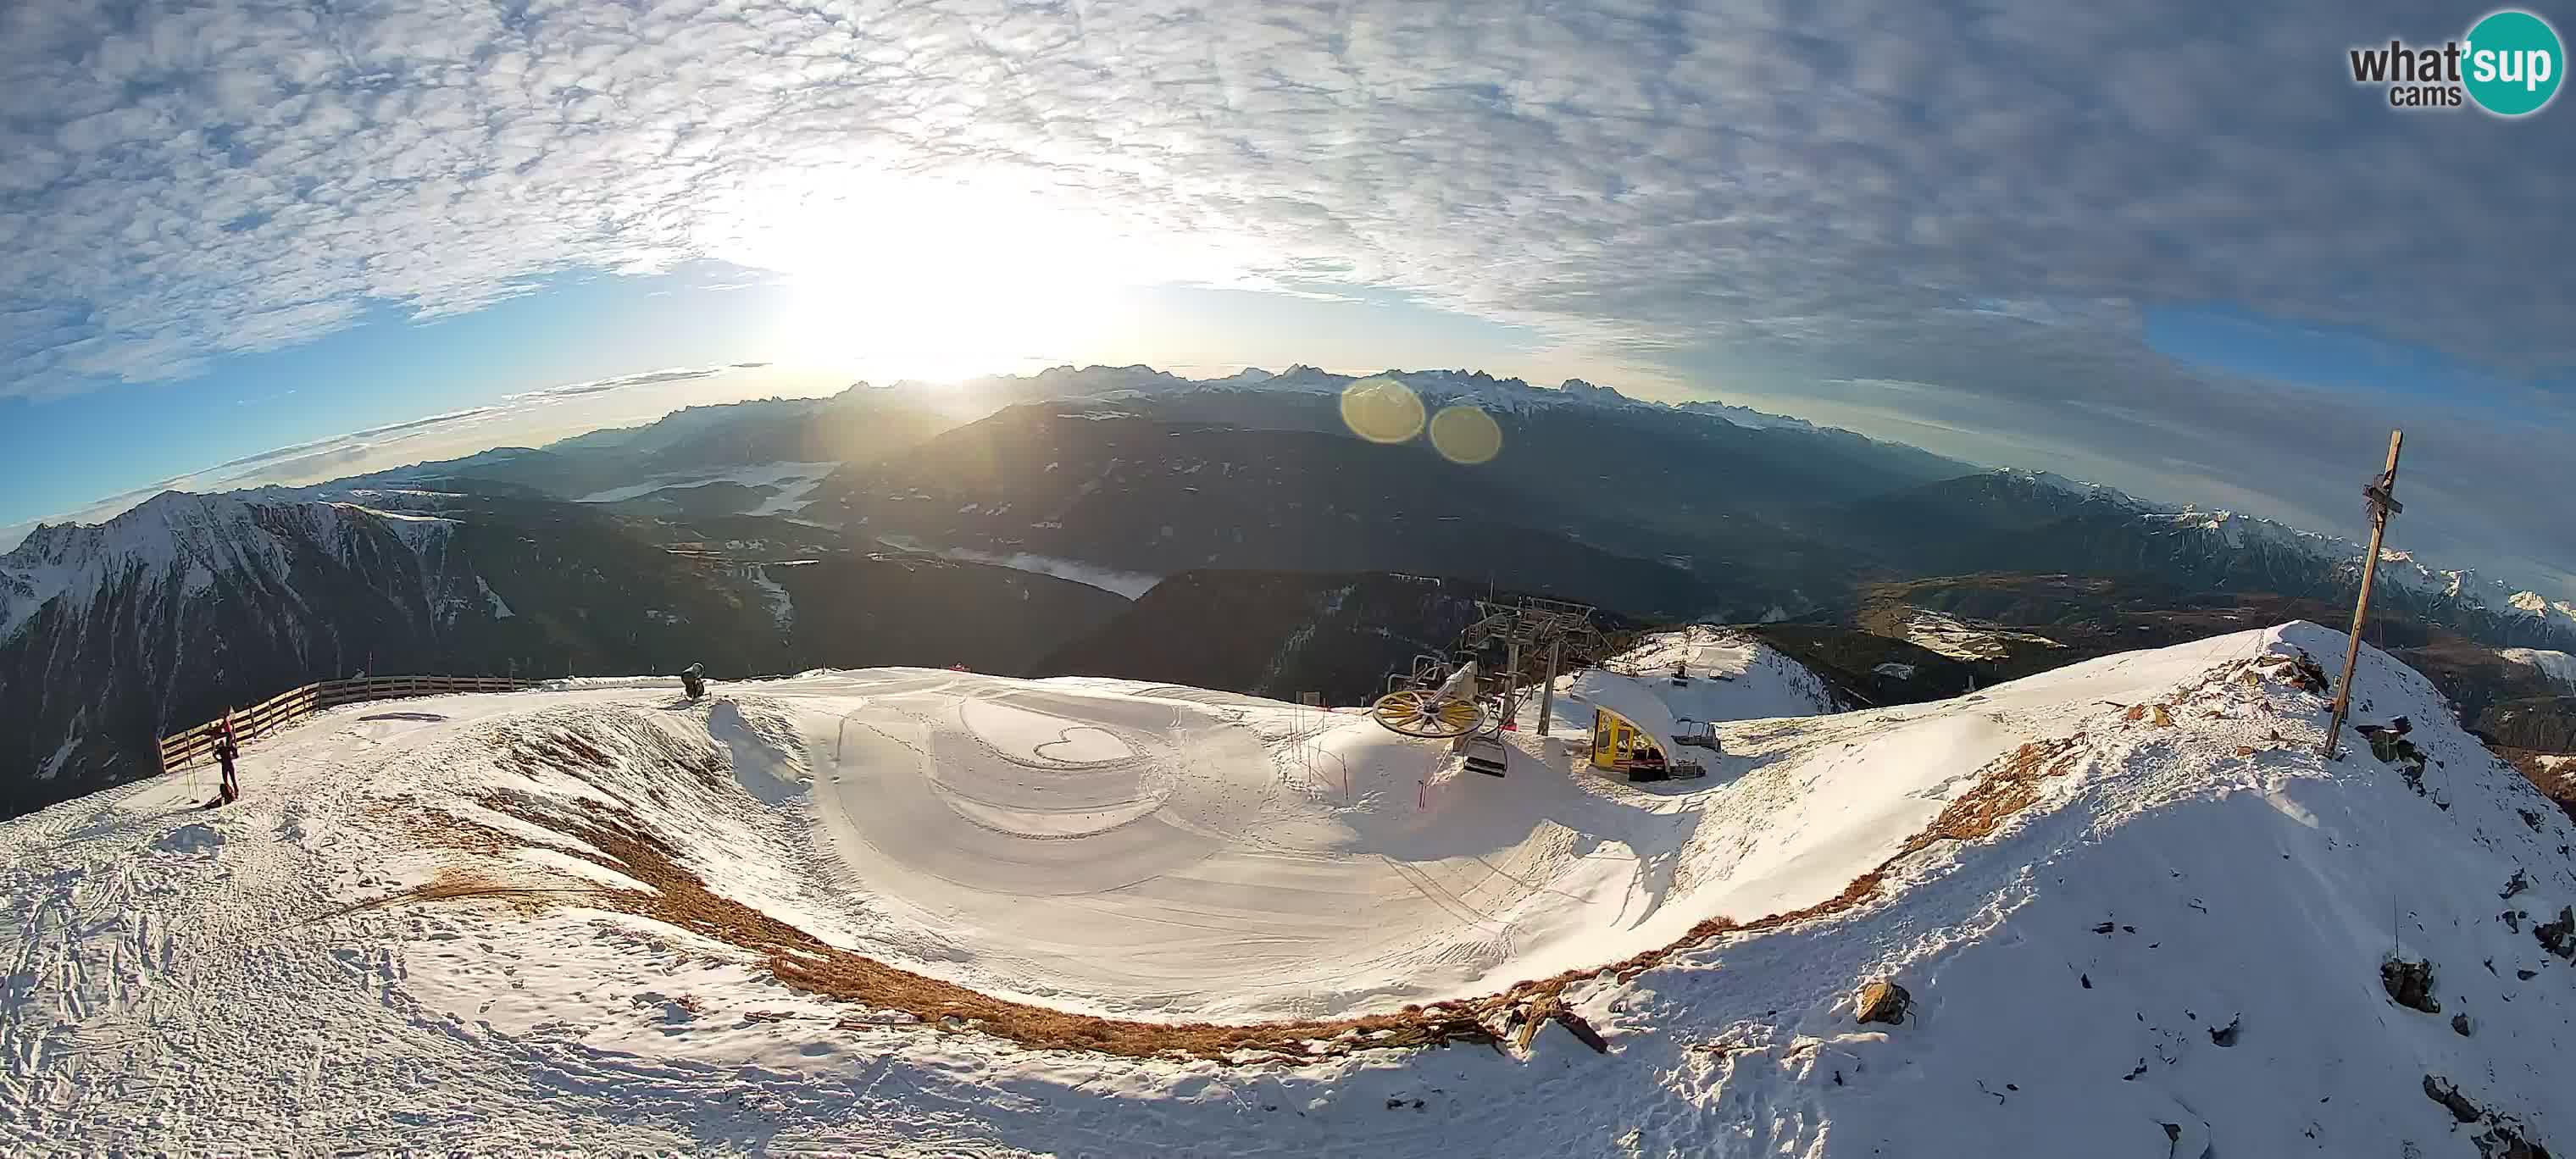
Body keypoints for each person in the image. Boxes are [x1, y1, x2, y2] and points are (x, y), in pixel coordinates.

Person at [211, 714, 241, 805]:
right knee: (229, 780)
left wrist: (220, 759)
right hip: (227, 765)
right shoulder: (225, 748)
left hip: (226, 765)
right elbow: (236, 755)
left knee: (231, 780)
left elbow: (214, 754)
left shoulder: (226, 748)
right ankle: (230, 793)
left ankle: (234, 793)